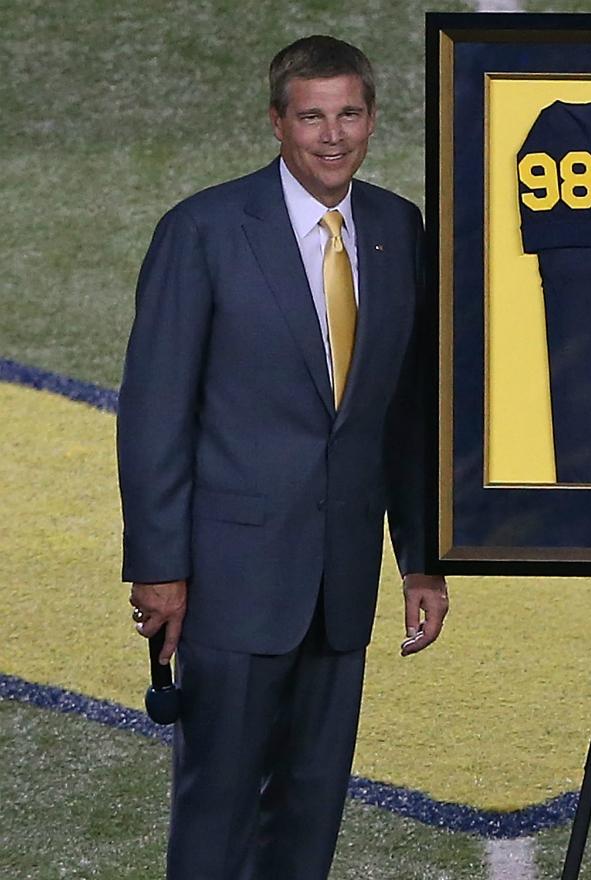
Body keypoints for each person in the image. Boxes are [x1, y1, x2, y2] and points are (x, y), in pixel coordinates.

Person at [117, 35, 448, 879]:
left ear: (372, 119)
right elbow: (156, 414)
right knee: (217, 809)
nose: (332, 136)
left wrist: (422, 561)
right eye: (312, 117)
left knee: (310, 815)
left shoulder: (396, 227)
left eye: (348, 114)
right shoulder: (203, 230)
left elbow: (404, 417)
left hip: (341, 590)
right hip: (231, 586)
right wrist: (158, 569)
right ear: (277, 122)